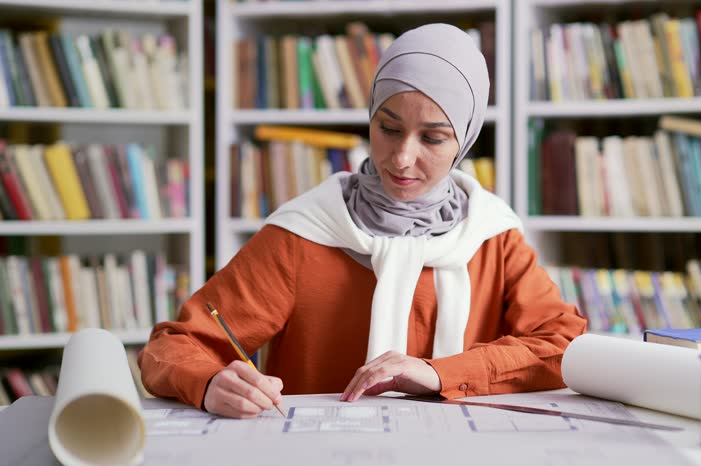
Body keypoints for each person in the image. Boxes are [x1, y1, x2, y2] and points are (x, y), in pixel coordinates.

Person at [139, 23, 586, 419]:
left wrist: (437, 374)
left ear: (465, 140)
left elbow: (564, 346)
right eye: (387, 128)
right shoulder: (305, 232)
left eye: (432, 137)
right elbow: (170, 348)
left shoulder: (493, 236)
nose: (402, 158)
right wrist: (212, 383)